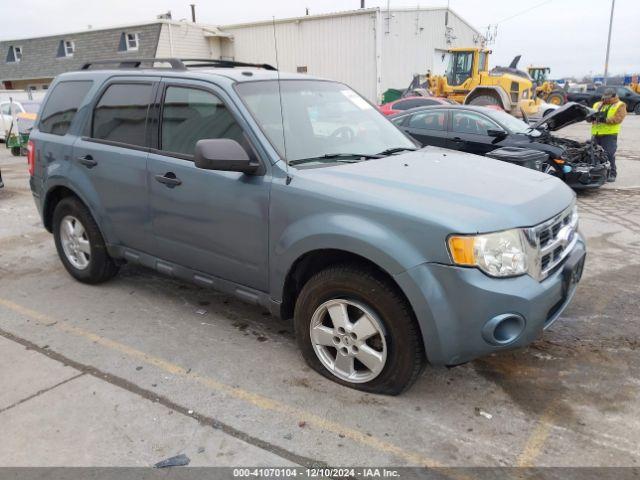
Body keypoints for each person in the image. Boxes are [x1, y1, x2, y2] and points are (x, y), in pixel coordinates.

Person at [590, 87, 626, 182]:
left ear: (614, 96)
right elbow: (591, 115)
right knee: (594, 154)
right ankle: (597, 174)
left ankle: (612, 174)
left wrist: (604, 120)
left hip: (609, 134)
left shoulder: (620, 105)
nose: (605, 99)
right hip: (596, 134)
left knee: (609, 154)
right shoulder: (597, 104)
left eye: (608, 97)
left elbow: (618, 119)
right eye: (604, 97)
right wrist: (589, 117)